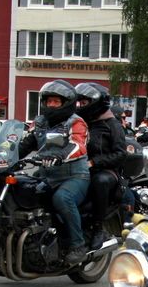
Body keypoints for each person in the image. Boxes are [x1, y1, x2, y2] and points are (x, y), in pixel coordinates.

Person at [17, 80, 90, 264]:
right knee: (20, 189)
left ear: (66, 103)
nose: (51, 105)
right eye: (49, 101)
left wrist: (61, 155)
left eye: (56, 102)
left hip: (74, 176)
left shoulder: (76, 122)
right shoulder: (39, 122)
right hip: (47, 175)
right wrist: (1, 155)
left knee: (62, 199)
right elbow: (24, 144)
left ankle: (78, 245)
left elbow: (78, 145)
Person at [76, 82, 127, 250]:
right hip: (78, 168)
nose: (80, 106)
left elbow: (120, 154)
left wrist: (94, 162)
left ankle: (98, 228)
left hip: (106, 171)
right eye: (79, 102)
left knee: (100, 181)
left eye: (84, 102)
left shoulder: (112, 124)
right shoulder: (79, 123)